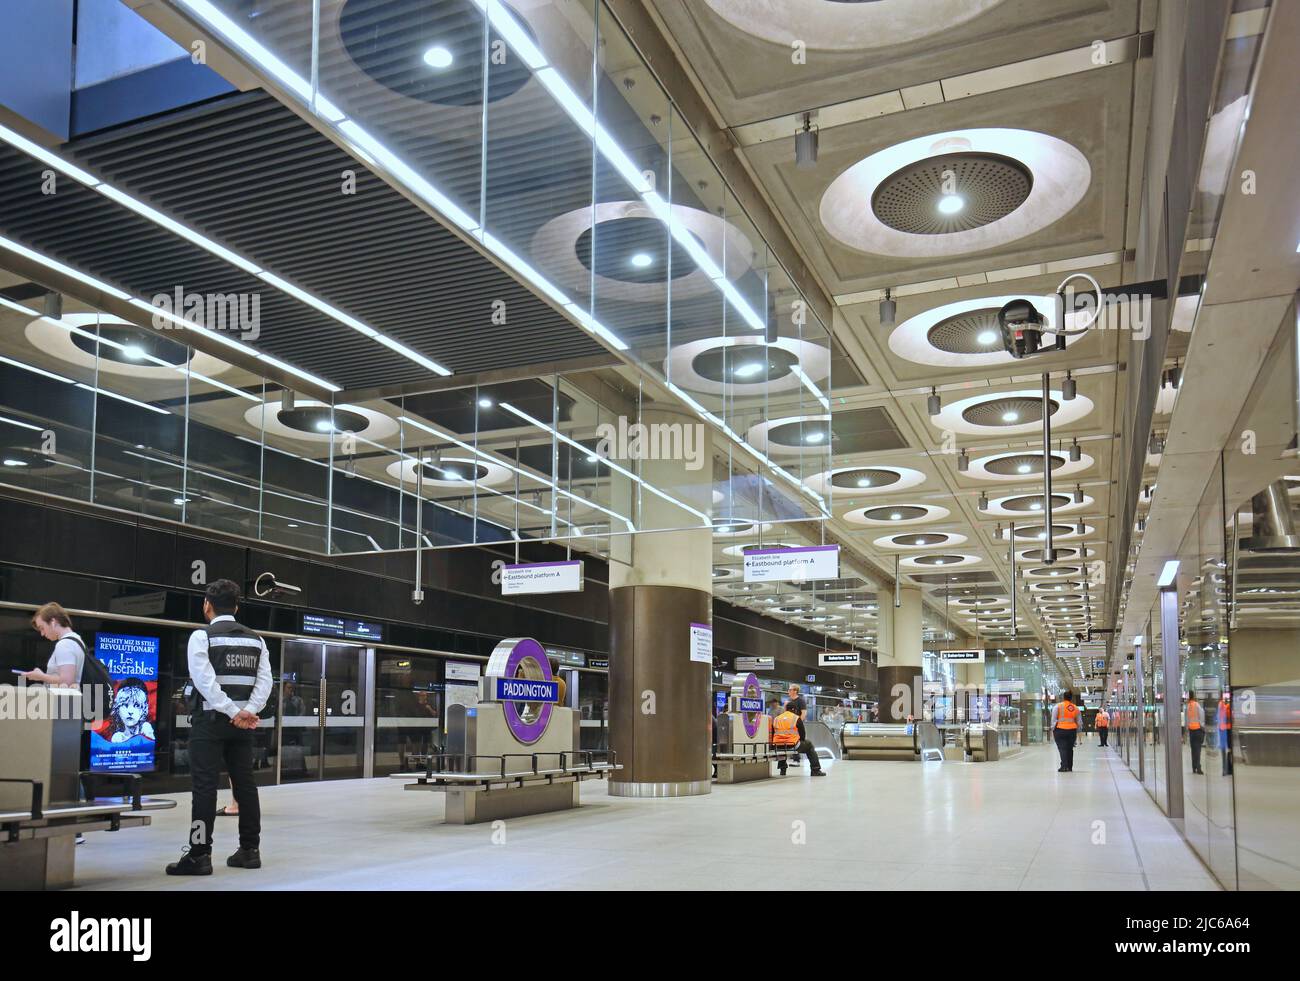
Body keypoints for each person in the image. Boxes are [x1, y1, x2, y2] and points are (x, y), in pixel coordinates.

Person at [166, 579, 272, 876]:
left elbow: (204, 682)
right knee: (245, 785)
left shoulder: (202, 637)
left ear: (207, 606)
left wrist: (232, 711)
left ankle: (199, 854)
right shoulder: (257, 641)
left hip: (210, 723)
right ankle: (250, 850)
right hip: (242, 726)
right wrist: (247, 712)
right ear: (236, 607)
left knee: (204, 788)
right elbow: (265, 682)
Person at [22, 603, 90, 842]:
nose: (43, 634)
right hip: (70, 714)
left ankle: (73, 827)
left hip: (63, 714)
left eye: (42, 628)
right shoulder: (77, 641)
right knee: (68, 769)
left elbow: (67, 681)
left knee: (64, 770)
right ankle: (73, 826)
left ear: (53, 622)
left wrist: (40, 677)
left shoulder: (65, 645)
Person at [783, 683, 825, 777]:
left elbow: (804, 713)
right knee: (806, 744)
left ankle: (788, 764)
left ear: (795, 691)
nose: (788, 691)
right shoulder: (788, 702)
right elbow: (802, 736)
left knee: (787, 741)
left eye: (790, 690)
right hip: (792, 731)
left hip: (787, 735)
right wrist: (796, 722)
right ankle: (815, 769)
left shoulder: (800, 701)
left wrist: (797, 723)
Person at [1050, 690, 1081, 772]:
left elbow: (1053, 719)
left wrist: (1053, 729)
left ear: (1063, 697)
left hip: (1060, 730)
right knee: (1069, 749)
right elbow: (1079, 722)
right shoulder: (1076, 708)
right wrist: (1078, 731)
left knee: (1062, 748)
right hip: (1072, 731)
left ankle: (1064, 766)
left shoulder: (1058, 706)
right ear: (1071, 698)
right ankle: (1070, 767)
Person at [1185, 692, 1205, 774]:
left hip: (1191, 731)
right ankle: (1198, 767)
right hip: (1197, 730)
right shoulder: (1197, 705)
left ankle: (1194, 767)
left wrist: (1187, 729)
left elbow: (1186, 719)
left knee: (1193, 749)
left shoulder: (1188, 706)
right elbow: (1202, 716)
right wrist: (1202, 726)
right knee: (1198, 750)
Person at [1218, 691, 1232, 776]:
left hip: (1222, 729)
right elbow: (1227, 716)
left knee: (1225, 751)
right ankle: (1226, 769)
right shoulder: (1224, 705)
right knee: (1227, 750)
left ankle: (1226, 769)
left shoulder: (1221, 705)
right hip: (1226, 730)